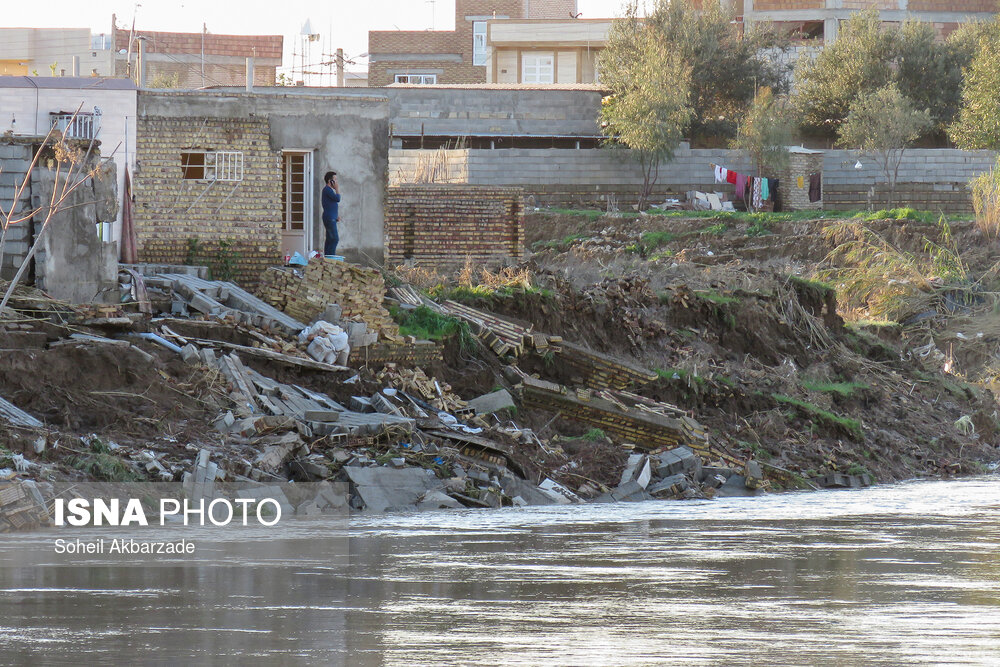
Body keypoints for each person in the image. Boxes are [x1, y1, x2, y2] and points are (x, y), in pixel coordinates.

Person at [321, 171, 341, 256]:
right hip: (329, 218)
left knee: (329, 239)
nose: (336, 182)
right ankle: (330, 257)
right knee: (334, 239)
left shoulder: (328, 191)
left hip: (331, 217)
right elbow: (337, 198)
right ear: (330, 181)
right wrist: (337, 189)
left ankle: (327, 257)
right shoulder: (327, 190)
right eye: (335, 179)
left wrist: (336, 216)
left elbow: (331, 205)